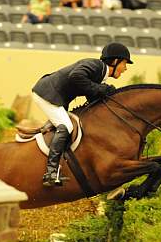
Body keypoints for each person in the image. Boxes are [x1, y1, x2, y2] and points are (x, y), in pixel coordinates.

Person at [31, 42, 132, 186]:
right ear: (115, 61)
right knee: (66, 126)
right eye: (125, 63)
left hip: (55, 96)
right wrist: (101, 89)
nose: (125, 68)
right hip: (47, 94)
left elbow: (91, 95)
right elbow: (76, 76)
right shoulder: (96, 65)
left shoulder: (99, 74)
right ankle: (51, 172)